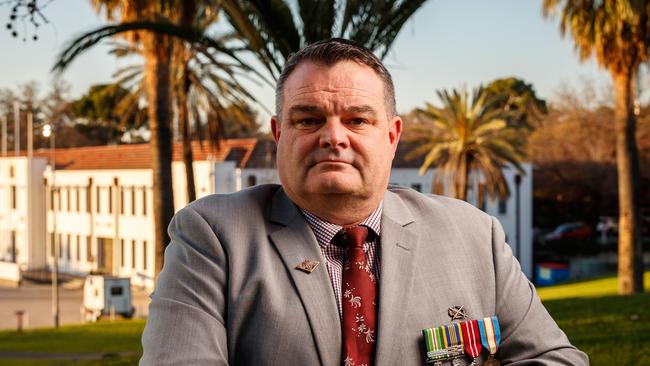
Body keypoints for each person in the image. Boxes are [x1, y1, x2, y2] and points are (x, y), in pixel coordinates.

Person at [140, 38, 588, 366]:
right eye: (309, 119)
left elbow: (556, 359)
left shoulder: (473, 235)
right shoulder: (213, 236)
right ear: (279, 136)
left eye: (357, 120)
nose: (334, 137)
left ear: (391, 137)